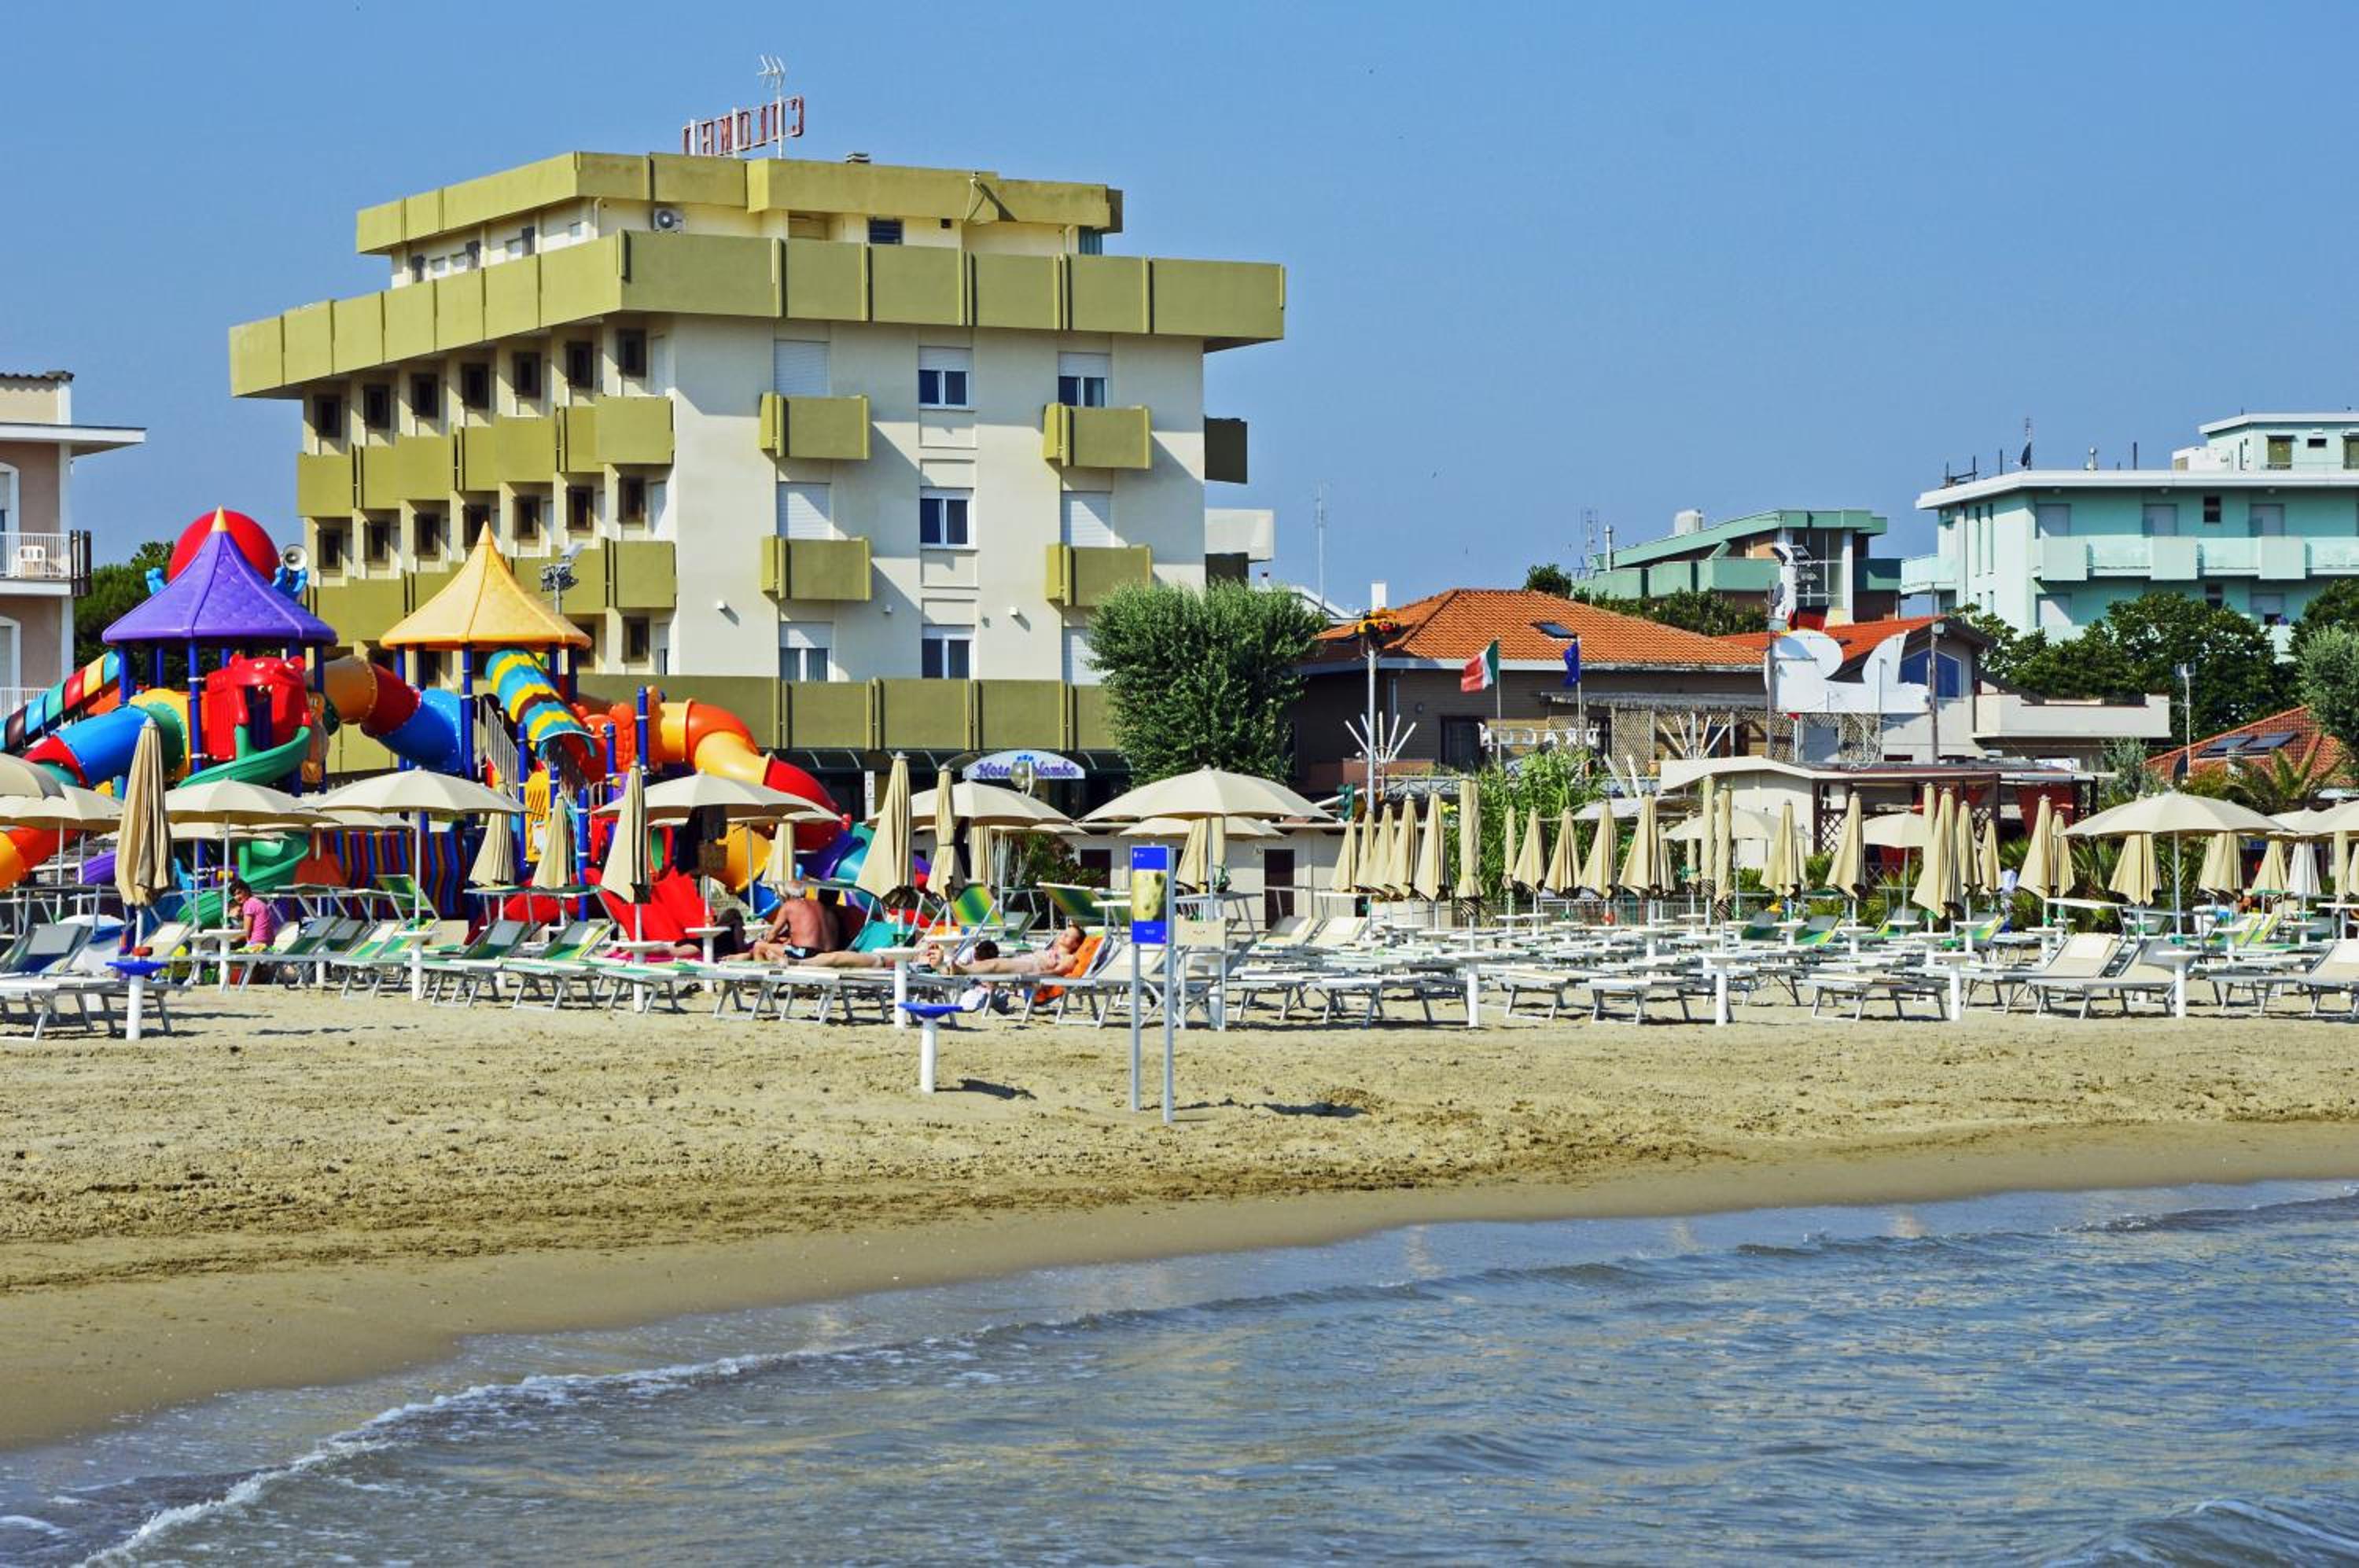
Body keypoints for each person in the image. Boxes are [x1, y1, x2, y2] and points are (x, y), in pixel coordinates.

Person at [750, 885, 833, 963]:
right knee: (784, 946)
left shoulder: (789, 905)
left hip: (806, 953)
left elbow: (771, 937)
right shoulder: (820, 905)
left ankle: (763, 973)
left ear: (788, 896)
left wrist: (767, 940)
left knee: (759, 946)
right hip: (826, 953)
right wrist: (783, 940)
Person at [229, 878, 280, 949]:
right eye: (234, 895)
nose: (237, 897)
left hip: (256, 943)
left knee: (223, 946)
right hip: (268, 942)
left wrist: (230, 939)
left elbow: (246, 932)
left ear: (246, 890)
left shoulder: (249, 904)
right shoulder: (257, 902)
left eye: (239, 893)